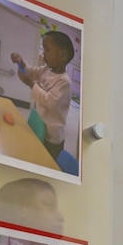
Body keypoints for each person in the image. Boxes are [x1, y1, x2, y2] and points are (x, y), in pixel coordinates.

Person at [10, 31, 76, 161]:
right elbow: (32, 72)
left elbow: (49, 101)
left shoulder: (64, 81)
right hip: (41, 124)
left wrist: (30, 83)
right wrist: (21, 63)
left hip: (52, 138)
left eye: (47, 49)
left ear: (62, 55)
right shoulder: (46, 69)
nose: (43, 53)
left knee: (45, 161)